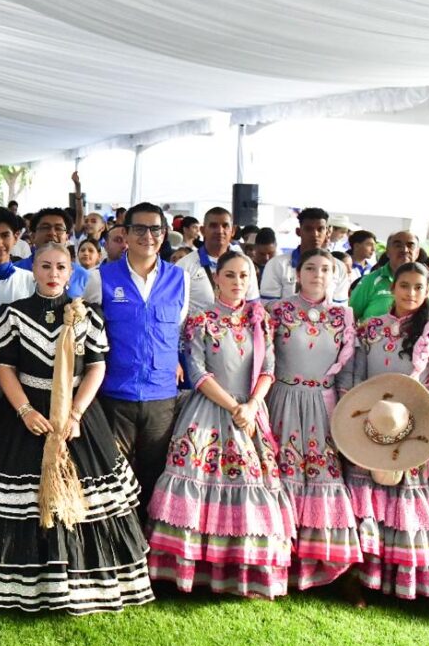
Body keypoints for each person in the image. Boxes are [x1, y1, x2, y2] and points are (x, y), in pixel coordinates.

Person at [0, 242, 151, 613]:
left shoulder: (89, 316)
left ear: (72, 273)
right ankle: (24, 588)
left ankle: (83, 587)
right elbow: (4, 366)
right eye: (46, 266)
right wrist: (22, 410)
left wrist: (75, 414)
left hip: (76, 415)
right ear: (33, 269)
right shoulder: (13, 314)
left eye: (61, 268)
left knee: (84, 502)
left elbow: (97, 366)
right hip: (28, 416)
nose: (53, 275)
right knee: (23, 502)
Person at [146, 252, 294, 598]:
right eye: (231, 275)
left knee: (251, 485)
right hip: (209, 410)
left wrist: (253, 404)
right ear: (217, 279)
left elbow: (269, 369)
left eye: (245, 275)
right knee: (199, 479)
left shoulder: (261, 321)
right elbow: (197, 372)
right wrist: (234, 406)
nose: (238, 282)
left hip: (250, 408)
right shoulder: (200, 321)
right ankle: (191, 570)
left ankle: (239, 571)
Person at [340, 262, 429, 601]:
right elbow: (353, 374)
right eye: (405, 285)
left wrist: (421, 411)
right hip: (371, 421)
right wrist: (354, 412)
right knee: (367, 496)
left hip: (413, 425)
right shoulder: (371, 328)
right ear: (393, 288)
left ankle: (398, 581)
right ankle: (360, 577)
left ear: (428, 291)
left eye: (418, 287)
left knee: (403, 499)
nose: (411, 293)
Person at [84, 202, 190, 520]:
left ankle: (149, 545)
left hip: (161, 396)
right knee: (116, 476)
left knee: (154, 474)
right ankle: (120, 544)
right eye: (139, 228)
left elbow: (181, 331)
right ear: (125, 234)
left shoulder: (179, 279)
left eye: (155, 229)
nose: (148, 235)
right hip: (114, 394)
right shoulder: (99, 278)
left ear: (164, 233)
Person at [265, 249, 362, 591]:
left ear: (335, 275)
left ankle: (321, 562)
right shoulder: (276, 311)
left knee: (322, 476)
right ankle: (277, 560)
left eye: (325, 269)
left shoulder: (344, 316)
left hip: (324, 407)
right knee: (281, 475)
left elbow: (347, 373)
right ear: (297, 272)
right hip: (283, 400)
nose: (318, 274)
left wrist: (345, 415)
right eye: (310, 267)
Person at [175, 207, 260, 312]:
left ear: (232, 231)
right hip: (197, 326)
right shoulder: (184, 266)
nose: (220, 231)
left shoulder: (245, 263)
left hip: (238, 325)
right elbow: (174, 308)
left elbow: (253, 305)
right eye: (213, 226)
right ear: (202, 230)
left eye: (225, 226)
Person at [260, 208, 350, 303]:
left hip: (327, 318)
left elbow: (340, 309)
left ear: (327, 232)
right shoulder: (277, 264)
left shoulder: (339, 267)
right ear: (298, 232)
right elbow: (267, 306)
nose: (315, 234)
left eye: (320, 229)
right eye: (308, 229)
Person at [350, 231, 429, 321]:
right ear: (387, 251)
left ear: (417, 253)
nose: (405, 250)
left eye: (410, 245)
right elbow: (351, 317)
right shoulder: (370, 280)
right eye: (398, 245)